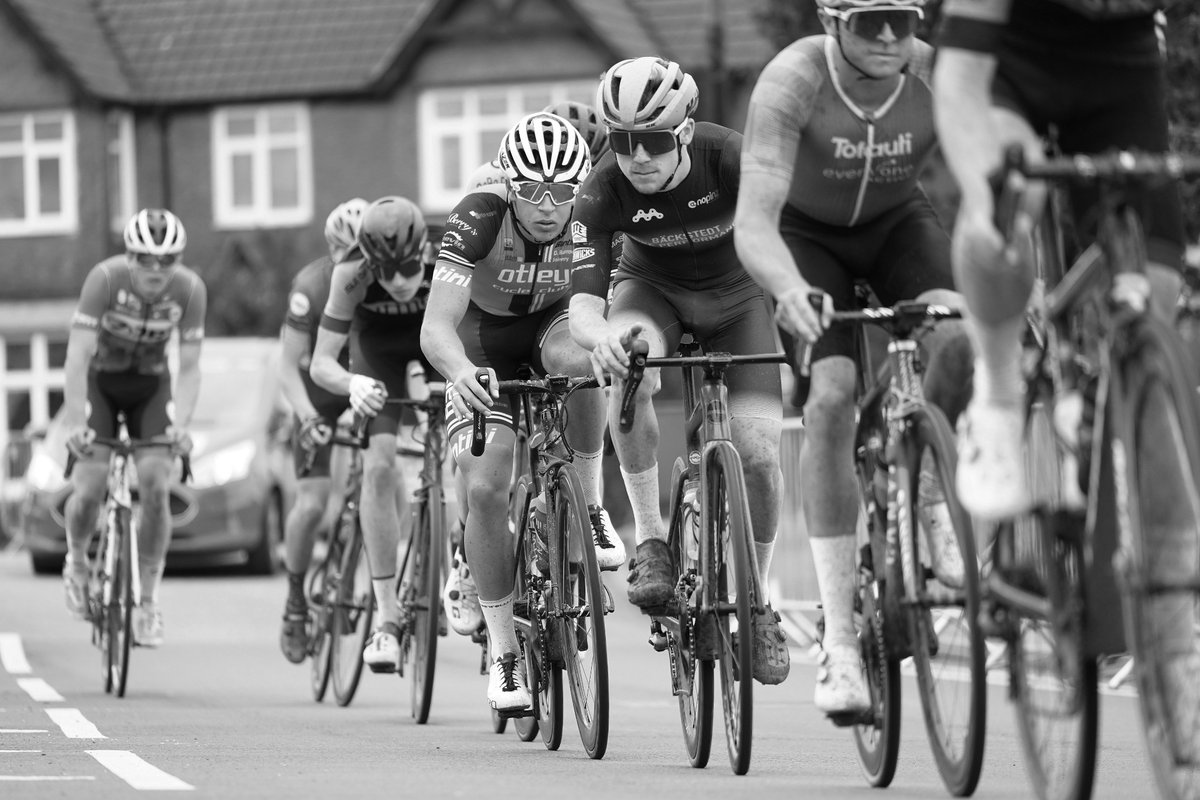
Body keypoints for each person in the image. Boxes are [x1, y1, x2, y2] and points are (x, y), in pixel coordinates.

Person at [733, 0, 973, 715]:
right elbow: (753, 221)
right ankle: (839, 644)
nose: (891, 36)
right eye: (871, 21)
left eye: (904, 18)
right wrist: (787, 289)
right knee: (832, 395)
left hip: (899, 224)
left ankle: (927, 491)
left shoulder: (934, 73)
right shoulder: (793, 81)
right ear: (832, 22)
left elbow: (993, 180)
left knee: (958, 339)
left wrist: (1010, 280)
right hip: (807, 240)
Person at [570, 56, 792, 686]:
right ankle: (652, 541)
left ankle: (757, 600)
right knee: (629, 362)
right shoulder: (602, 189)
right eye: (623, 141)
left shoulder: (731, 158)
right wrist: (604, 338)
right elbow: (583, 306)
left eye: (654, 141)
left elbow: (792, 237)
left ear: (686, 132)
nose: (638, 157)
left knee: (759, 455)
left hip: (739, 296)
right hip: (652, 293)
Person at [932, 0, 1186, 520]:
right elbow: (959, 81)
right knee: (1006, 205)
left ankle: (1098, 422)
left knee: (1157, 290)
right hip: (1009, 56)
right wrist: (988, 202)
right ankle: (997, 396)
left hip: (1122, 61)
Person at [421, 111, 621, 713]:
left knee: (582, 362)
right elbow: (436, 328)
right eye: (532, 191)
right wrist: (460, 372)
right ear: (509, 183)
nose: (547, 206)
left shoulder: (592, 214)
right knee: (486, 487)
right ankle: (505, 654)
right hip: (483, 342)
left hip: (552, 325)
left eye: (562, 192)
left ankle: (589, 505)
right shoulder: (478, 216)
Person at [61, 208, 206, 647]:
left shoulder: (190, 289)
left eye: (168, 260)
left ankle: (148, 601)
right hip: (100, 385)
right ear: (130, 257)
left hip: (150, 388)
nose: (156, 270)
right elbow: (77, 358)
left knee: (157, 485)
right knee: (89, 487)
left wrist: (182, 425)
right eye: (145, 259)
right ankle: (77, 562)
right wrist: (75, 423)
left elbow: (191, 367)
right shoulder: (105, 280)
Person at [310, 195, 439, 674]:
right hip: (376, 350)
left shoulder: (448, 252)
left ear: (422, 251)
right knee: (380, 465)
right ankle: (387, 617)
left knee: (467, 454)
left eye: (407, 268)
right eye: (386, 271)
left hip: (435, 339)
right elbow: (321, 363)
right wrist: (352, 384)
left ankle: (462, 571)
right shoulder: (350, 272)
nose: (399, 281)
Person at [276, 198, 366, 664]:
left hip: (364, 388)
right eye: (349, 254)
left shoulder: (383, 280)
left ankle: (351, 576)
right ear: (333, 251)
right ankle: (295, 598)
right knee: (311, 502)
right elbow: (287, 368)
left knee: (383, 481)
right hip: (318, 395)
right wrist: (308, 417)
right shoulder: (309, 287)